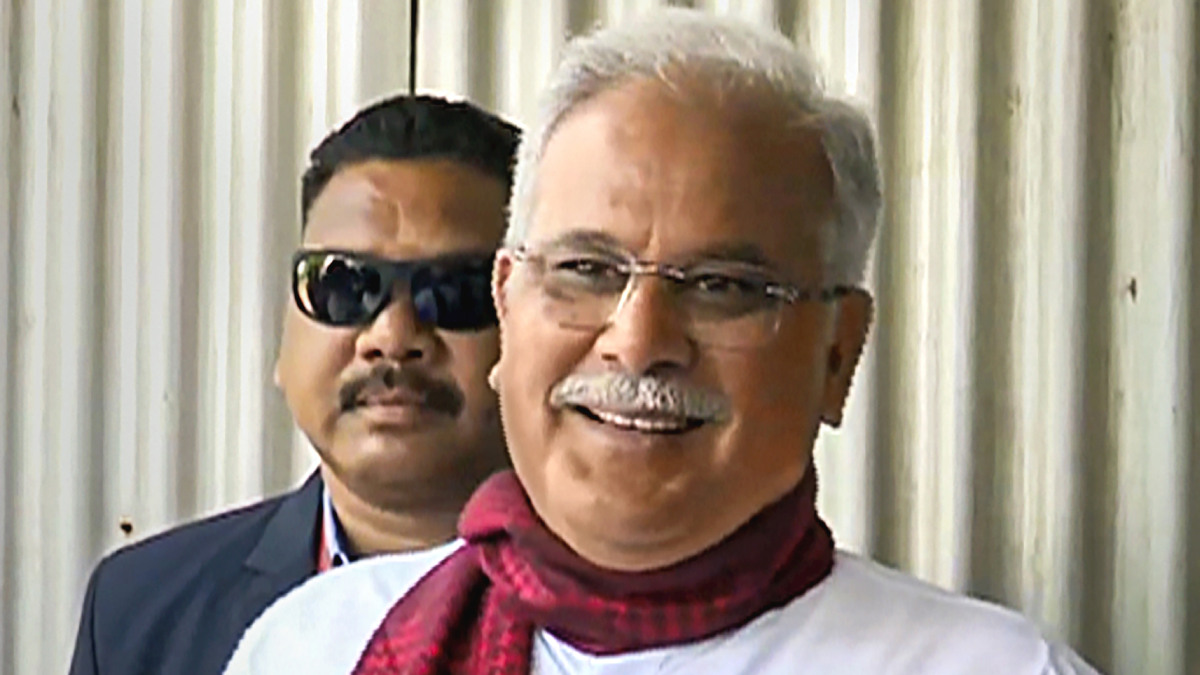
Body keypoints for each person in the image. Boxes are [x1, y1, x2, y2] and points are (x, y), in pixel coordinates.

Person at [222, 11, 1102, 675]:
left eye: (723, 285)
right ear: (507, 305)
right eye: (586, 269)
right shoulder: (319, 646)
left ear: (838, 353)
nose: (638, 342)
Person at [67, 95, 519, 675]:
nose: (392, 335)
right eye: (344, 285)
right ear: (286, 341)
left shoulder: (623, 619)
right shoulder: (139, 614)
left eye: (454, 291)